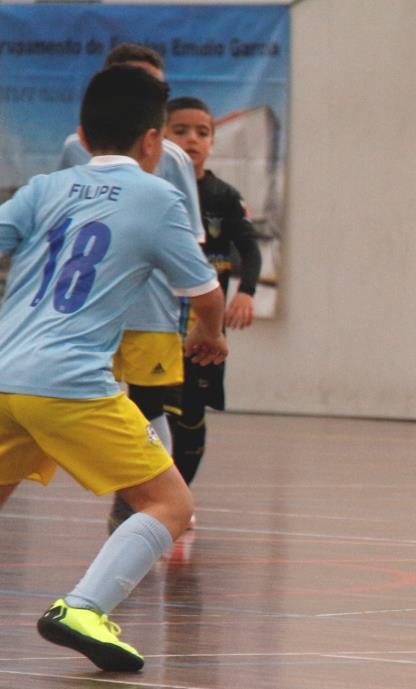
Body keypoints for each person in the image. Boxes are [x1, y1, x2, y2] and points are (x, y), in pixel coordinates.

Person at [0, 66, 226, 672]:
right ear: (153, 141)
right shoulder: (157, 196)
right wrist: (212, 336)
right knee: (170, 504)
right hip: (68, 383)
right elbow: (204, 293)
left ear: (85, 129)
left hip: (3, 375)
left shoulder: (44, 187)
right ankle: (83, 607)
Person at [57, 43, 206, 531]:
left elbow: (191, 240)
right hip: (90, 307)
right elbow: (61, 225)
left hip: (149, 306)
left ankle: (146, 501)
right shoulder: (75, 149)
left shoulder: (173, 160)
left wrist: (205, 312)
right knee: (74, 399)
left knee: (147, 402)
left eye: (157, 88)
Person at [162, 96, 262, 486]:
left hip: (204, 326)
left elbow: (250, 250)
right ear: (159, 137)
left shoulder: (225, 197)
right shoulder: (154, 190)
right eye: (181, 130)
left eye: (202, 133)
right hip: (159, 322)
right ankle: (152, 498)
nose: (192, 140)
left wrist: (246, 291)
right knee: (157, 408)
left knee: (191, 413)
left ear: (213, 143)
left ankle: (179, 497)